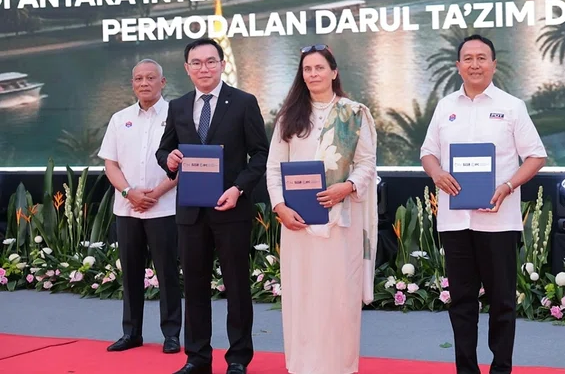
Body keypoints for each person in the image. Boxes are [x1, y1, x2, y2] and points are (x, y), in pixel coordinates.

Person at [420, 34, 547, 374]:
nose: (474, 64)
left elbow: (536, 156)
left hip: (498, 222)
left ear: (493, 64)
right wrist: (437, 173)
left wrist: (507, 186)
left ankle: (501, 368)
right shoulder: (445, 107)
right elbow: (427, 152)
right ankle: (466, 369)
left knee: (502, 302)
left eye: (481, 58)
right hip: (455, 221)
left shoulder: (511, 106)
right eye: (468, 58)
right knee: (462, 302)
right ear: (458, 65)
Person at [156, 38, 269, 374]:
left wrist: (238, 189)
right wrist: (169, 160)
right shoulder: (178, 106)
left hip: (231, 208)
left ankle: (238, 358)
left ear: (222, 64)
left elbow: (260, 154)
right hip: (191, 212)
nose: (203, 68)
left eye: (210, 61)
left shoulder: (244, 102)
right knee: (194, 285)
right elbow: (164, 150)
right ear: (187, 68)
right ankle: (197, 358)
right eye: (196, 62)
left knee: (237, 286)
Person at [265, 44, 378, 374]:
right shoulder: (289, 117)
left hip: (340, 223)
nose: (313, 74)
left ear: (333, 72)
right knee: (302, 296)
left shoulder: (354, 114)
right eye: (307, 69)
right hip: (297, 222)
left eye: (319, 68)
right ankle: (302, 366)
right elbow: (273, 168)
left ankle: (340, 366)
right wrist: (279, 206)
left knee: (339, 296)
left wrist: (348, 186)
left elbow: (367, 163)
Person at [99, 59, 182, 355]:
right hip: (127, 209)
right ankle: (131, 333)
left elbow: (185, 162)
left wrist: (156, 193)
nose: (144, 83)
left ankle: (171, 335)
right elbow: (110, 163)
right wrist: (129, 192)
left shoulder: (178, 116)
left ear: (163, 82)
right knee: (131, 273)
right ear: (133, 83)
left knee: (167, 273)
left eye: (150, 78)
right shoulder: (119, 118)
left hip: (165, 208)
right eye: (138, 78)